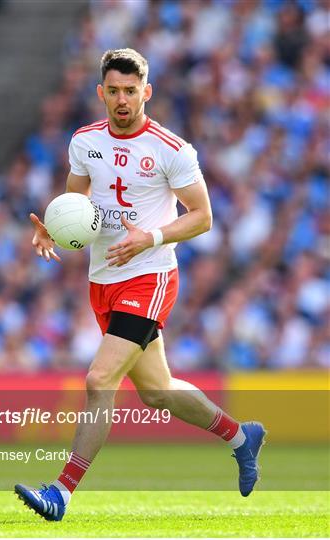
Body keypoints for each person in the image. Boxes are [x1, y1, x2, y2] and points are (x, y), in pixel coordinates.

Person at [15, 48, 265, 522]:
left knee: (98, 380)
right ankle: (240, 436)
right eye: (114, 91)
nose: (122, 100)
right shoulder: (85, 141)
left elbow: (203, 218)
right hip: (103, 278)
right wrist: (54, 225)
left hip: (149, 275)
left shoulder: (172, 149)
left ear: (146, 92)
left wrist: (148, 236)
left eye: (131, 91)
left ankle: (61, 493)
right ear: (101, 94)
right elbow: (77, 202)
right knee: (158, 391)